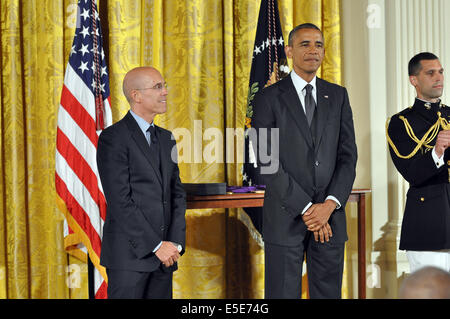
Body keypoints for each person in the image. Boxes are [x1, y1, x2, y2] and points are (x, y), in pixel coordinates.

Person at [251, 23, 357, 299]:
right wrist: (310, 210)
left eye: (319, 44)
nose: (313, 50)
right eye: (305, 44)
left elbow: (348, 156)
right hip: (286, 218)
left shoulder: (338, 95)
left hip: (330, 218)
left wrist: (329, 205)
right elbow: (267, 161)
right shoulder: (267, 98)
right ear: (289, 51)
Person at [97, 66, 186, 299]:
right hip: (129, 258)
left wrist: (174, 243)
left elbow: (176, 194)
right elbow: (120, 201)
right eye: (158, 87)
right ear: (136, 96)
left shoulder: (167, 138)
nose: (165, 92)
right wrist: (157, 245)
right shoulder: (113, 138)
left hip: (165, 258)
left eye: (164, 85)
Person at [387, 52, 450, 273]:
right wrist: (437, 151)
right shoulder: (401, 122)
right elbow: (411, 172)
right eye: (431, 73)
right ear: (414, 80)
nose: (439, 77)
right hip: (428, 223)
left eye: (440, 72)